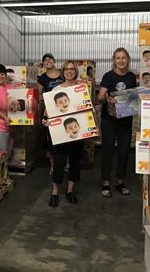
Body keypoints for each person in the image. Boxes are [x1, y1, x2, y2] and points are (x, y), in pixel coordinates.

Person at [43, 60, 83, 207]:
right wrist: (45, 120)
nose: (70, 71)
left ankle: (70, 190)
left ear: (76, 71)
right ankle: (55, 191)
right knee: (59, 161)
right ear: (63, 71)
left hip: (77, 133)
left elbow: (87, 110)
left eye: (72, 69)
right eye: (67, 69)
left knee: (75, 162)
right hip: (59, 134)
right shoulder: (56, 90)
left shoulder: (81, 89)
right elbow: (48, 111)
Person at [98, 47, 137, 198]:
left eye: (124, 58)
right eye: (118, 58)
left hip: (125, 119)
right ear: (114, 60)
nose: (121, 60)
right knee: (107, 149)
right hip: (109, 119)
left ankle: (120, 181)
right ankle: (106, 182)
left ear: (128, 60)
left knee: (124, 150)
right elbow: (100, 97)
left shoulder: (131, 77)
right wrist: (107, 99)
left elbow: (132, 96)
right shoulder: (108, 76)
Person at [37, 53, 64, 174]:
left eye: (50, 59)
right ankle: (53, 166)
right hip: (51, 112)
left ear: (54, 60)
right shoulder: (42, 78)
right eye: (45, 60)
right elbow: (38, 96)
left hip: (65, 110)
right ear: (43, 64)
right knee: (52, 140)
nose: (48, 61)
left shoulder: (62, 73)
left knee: (65, 137)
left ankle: (65, 164)